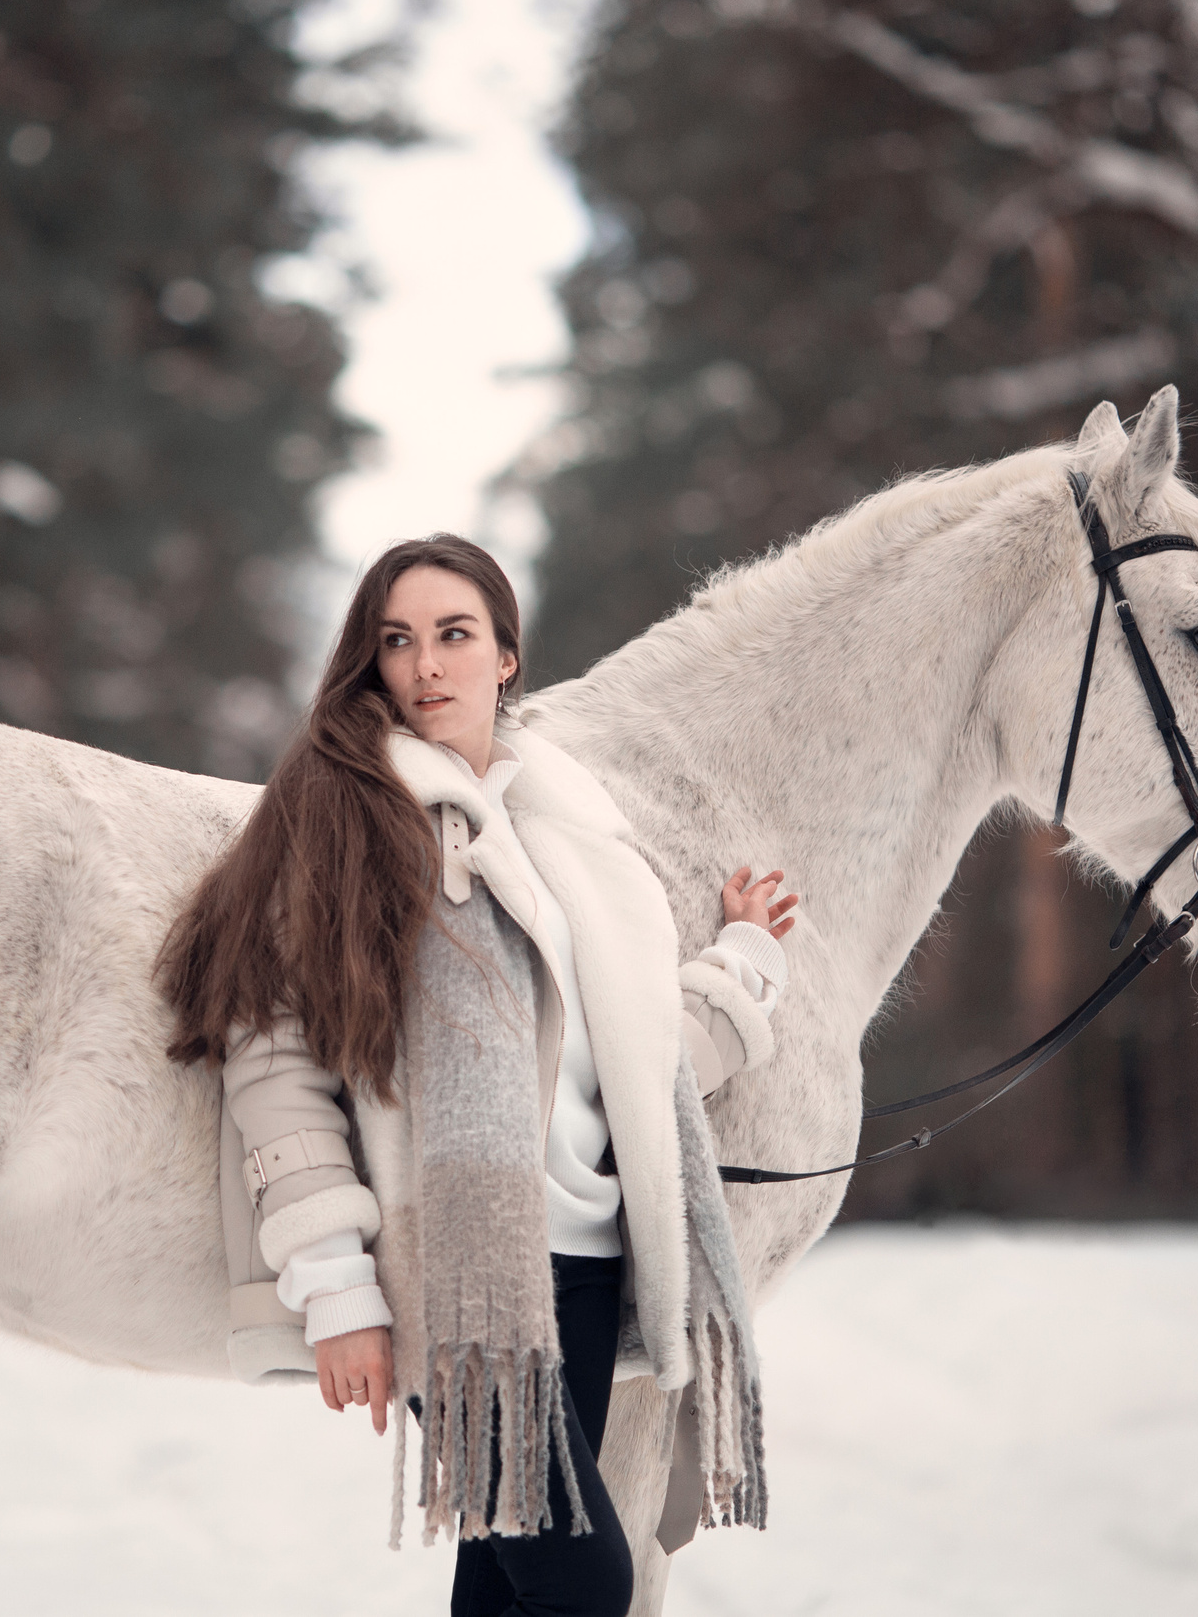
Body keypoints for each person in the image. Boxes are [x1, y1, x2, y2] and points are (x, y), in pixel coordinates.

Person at [160, 535, 792, 1617]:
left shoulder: (571, 836)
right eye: (397, 641)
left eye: (455, 635)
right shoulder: (349, 818)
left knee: (503, 1599)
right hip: (448, 1283)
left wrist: (738, 965)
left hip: (585, 1265)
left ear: (506, 656)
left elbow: (631, 1061)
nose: (426, 667)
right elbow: (273, 1053)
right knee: (590, 1585)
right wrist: (336, 1287)